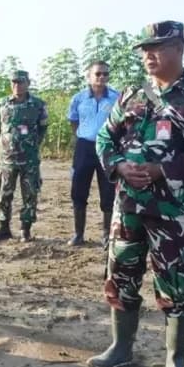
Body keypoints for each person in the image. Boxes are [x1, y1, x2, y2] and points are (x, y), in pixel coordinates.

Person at [87, 21, 184, 367]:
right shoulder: (131, 94)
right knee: (121, 274)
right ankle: (121, 347)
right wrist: (118, 165)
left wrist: (160, 170)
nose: (148, 54)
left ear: (179, 48)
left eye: (158, 47)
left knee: (176, 282)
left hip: (172, 211)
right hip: (128, 205)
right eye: (145, 49)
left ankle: (174, 361)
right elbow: (105, 137)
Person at [0, 70, 48, 243]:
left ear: (28, 83)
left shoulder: (37, 104)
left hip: (29, 159)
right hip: (7, 159)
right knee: (4, 193)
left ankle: (26, 229)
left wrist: (32, 144)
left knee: (30, 194)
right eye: (13, 82)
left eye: (20, 82)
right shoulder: (2, 104)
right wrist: (2, 147)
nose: (17, 85)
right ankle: (3, 228)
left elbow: (43, 127)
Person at [66, 61, 119, 246]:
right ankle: (78, 234)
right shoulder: (79, 98)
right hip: (84, 148)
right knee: (78, 190)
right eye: (97, 74)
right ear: (89, 76)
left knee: (108, 190)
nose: (101, 77)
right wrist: (83, 135)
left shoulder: (116, 98)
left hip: (108, 147)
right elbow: (73, 120)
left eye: (105, 74)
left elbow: (122, 122)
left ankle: (106, 235)